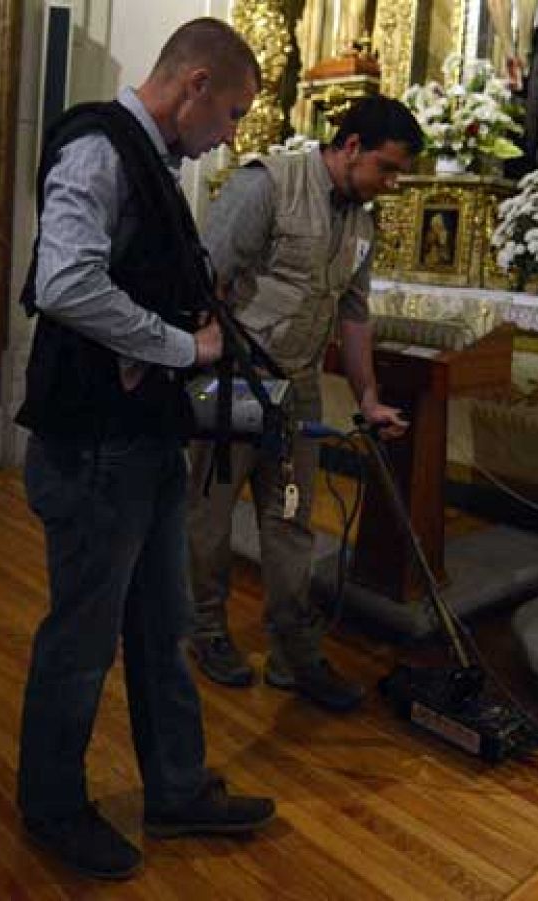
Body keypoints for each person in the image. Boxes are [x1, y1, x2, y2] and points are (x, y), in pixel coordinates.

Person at [13, 18, 274, 882]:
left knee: (162, 630)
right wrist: (181, 345)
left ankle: (175, 785)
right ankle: (52, 805)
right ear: (193, 84)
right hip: (93, 447)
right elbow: (64, 283)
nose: (232, 134)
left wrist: (192, 322)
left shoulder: (154, 161)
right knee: (81, 642)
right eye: (232, 112)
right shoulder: (97, 145)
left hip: (143, 440)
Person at [185, 96, 423, 710]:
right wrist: (203, 352)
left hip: (300, 386)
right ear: (350, 147)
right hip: (237, 378)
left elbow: (355, 315)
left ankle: (292, 647)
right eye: (387, 169)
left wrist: (368, 397)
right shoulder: (268, 183)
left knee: (290, 519)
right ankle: (205, 628)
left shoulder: (363, 223)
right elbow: (204, 275)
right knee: (210, 515)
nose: (392, 185)